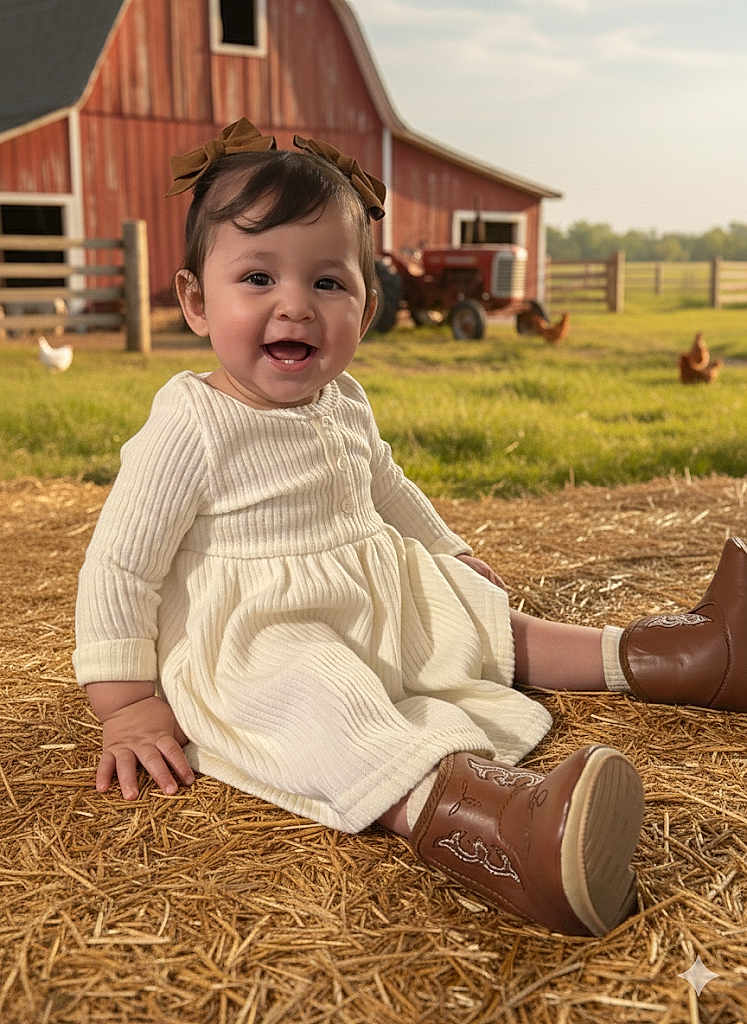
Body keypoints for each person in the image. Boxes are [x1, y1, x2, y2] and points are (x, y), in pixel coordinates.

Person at [73, 118, 746, 939]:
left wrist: (448, 552)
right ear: (193, 302)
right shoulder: (192, 421)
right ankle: (498, 830)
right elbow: (119, 564)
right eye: (257, 277)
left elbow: (386, 485)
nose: (295, 305)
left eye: (328, 284)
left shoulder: (345, 401)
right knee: (327, 704)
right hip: (265, 631)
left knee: (488, 623)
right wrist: (127, 705)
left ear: (366, 303)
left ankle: (677, 656)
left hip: (371, 592)